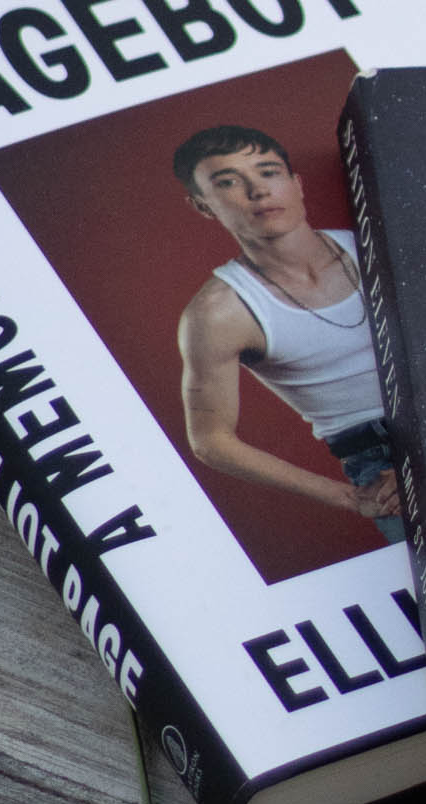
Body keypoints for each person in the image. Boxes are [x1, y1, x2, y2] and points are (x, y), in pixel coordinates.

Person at [172, 124, 403, 543]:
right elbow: (210, 441)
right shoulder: (218, 313)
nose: (258, 191)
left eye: (268, 172)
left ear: (296, 184)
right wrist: (351, 498)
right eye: (228, 182)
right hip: (379, 459)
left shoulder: (378, 246)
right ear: (203, 206)